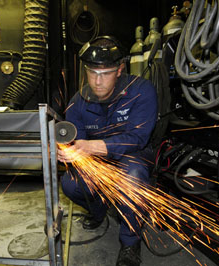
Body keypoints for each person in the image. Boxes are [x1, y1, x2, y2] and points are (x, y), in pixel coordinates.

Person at [58, 36, 158, 266]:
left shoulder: (142, 91)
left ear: (120, 69)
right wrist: (67, 150)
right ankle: (99, 209)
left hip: (133, 156)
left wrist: (91, 146)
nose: (97, 81)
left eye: (105, 73)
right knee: (70, 183)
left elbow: (138, 138)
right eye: (92, 73)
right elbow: (76, 143)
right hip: (98, 161)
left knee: (132, 178)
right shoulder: (77, 102)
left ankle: (130, 242)